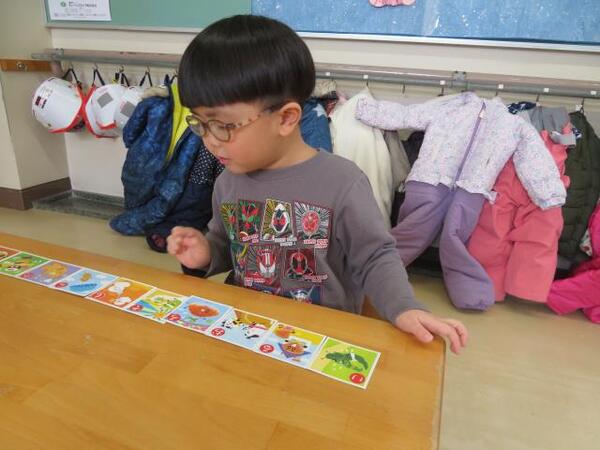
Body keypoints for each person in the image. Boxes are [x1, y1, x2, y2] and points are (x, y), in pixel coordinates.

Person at [167, 15, 468, 354]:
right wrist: (205, 253)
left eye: (222, 125)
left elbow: (375, 257)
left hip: (321, 340)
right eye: (200, 123)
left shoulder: (342, 182)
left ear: (285, 118)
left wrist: (404, 306)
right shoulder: (228, 181)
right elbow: (228, 245)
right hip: (249, 330)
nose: (209, 140)